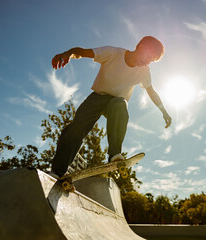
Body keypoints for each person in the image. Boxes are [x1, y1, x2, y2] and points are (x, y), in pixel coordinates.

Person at [50, 36, 172, 177]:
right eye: (149, 57)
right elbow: (82, 52)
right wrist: (67, 54)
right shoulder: (113, 53)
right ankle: (57, 172)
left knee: (120, 104)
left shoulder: (144, 71)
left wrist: (164, 111)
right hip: (97, 97)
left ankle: (114, 154)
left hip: (116, 104)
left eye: (152, 60)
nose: (148, 62)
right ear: (141, 46)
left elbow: (152, 92)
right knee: (75, 129)